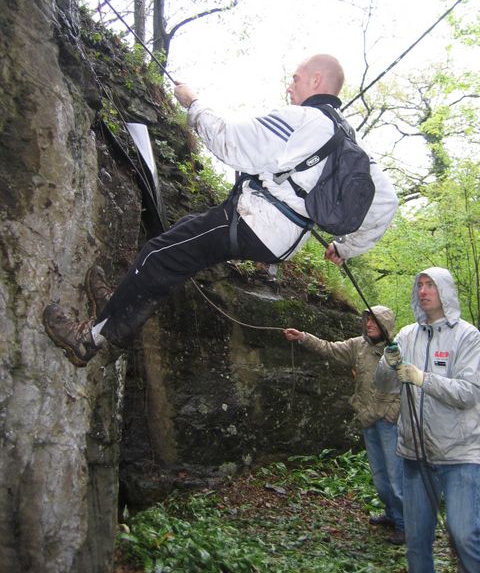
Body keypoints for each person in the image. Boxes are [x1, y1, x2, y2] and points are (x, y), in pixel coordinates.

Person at [43, 54, 398, 367]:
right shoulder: (353, 142)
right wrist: (346, 247)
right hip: (279, 238)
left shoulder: (303, 120)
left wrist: (193, 102)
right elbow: (385, 204)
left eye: (296, 78)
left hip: (253, 222)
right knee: (179, 237)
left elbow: (229, 140)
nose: (290, 86)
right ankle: (119, 305)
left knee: (159, 256)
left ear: (317, 81)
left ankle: (91, 339)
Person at [375, 267, 480, 573]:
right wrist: (388, 362)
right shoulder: (407, 335)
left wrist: (423, 378)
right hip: (414, 454)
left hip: (460, 454)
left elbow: (469, 393)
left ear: (445, 291)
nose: (422, 291)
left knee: (464, 535)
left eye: (430, 285)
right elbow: (385, 385)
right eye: (419, 285)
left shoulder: (468, 337)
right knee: (417, 540)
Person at [284, 305, 405, 545]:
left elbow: (407, 385)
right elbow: (329, 349)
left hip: (389, 423)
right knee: (380, 478)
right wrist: (303, 338)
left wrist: (392, 413)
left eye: (374, 321)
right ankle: (392, 515)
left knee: (396, 478)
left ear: (385, 326)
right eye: (367, 320)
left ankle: (405, 525)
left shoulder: (397, 351)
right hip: (367, 419)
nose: (369, 324)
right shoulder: (357, 346)